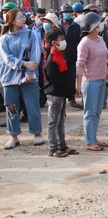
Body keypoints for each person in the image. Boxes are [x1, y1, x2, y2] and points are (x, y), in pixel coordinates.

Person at [1, 9, 43, 150]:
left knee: (33, 106)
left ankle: (37, 132)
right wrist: (23, 64)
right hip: (9, 77)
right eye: (19, 17)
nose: (23, 18)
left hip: (29, 77)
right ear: (12, 20)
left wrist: (30, 70)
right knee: (11, 108)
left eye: (23, 16)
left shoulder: (30, 35)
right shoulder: (4, 38)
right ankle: (14, 136)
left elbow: (35, 55)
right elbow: (7, 58)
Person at [76, 12, 108, 152]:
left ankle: (93, 137)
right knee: (90, 113)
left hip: (101, 80)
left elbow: (104, 61)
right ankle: (89, 141)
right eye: (98, 22)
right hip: (90, 82)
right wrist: (78, 84)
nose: (101, 24)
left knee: (97, 112)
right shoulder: (84, 43)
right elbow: (80, 64)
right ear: (92, 25)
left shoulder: (100, 39)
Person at [43, 29, 78, 157]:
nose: (64, 42)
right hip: (55, 94)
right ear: (54, 43)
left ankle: (62, 145)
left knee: (60, 121)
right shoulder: (52, 60)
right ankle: (53, 148)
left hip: (61, 93)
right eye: (61, 39)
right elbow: (56, 81)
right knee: (53, 121)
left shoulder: (61, 55)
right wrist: (69, 91)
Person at [60, 3, 82, 110]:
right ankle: (62, 98)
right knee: (61, 79)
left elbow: (79, 42)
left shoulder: (76, 27)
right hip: (60, 57)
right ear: (61, 14)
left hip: (72, 57)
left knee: (71, 78)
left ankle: (71, 98)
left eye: (69, 12)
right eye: (65, 12)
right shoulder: (58, 26)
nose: (67, 14)